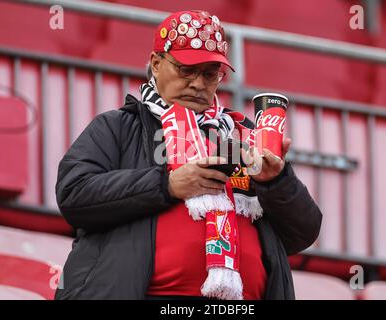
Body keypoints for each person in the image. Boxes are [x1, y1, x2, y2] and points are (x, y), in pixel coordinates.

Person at [54, 10, 322, 300]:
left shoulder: (244, 136)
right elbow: (74, 195)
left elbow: (302, 234)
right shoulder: (118, 125)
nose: (198, 83)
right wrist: (166, 185)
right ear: (156, 64)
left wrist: (276, 181)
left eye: (210, 74)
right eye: (186, 70)